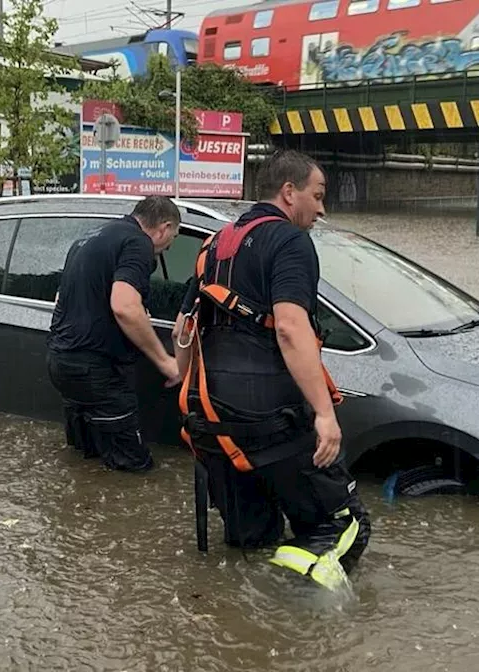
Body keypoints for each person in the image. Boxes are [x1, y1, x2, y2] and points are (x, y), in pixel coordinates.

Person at [172, 150, 370, 592]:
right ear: (288, 192)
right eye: (317, 196)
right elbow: (290, 327)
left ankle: (241, 624)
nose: (321, 208)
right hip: (269, 416)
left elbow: (183, 335)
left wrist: (185, 385)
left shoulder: (212, 244)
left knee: (251, 540)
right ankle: (294, 626)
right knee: (344, 527)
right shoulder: (290, 242)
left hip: (209, 420)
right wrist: (323, 412)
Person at [46, 196, 183, 473]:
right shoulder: (138, 243)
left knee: (88, 461)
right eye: (174, 238)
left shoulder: (89, 238)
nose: (169, 247)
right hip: (97, 369)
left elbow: (66, 296)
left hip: (61, 361)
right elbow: (123, 307)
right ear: (164, 228)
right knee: (134, 469)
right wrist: (166, 362)